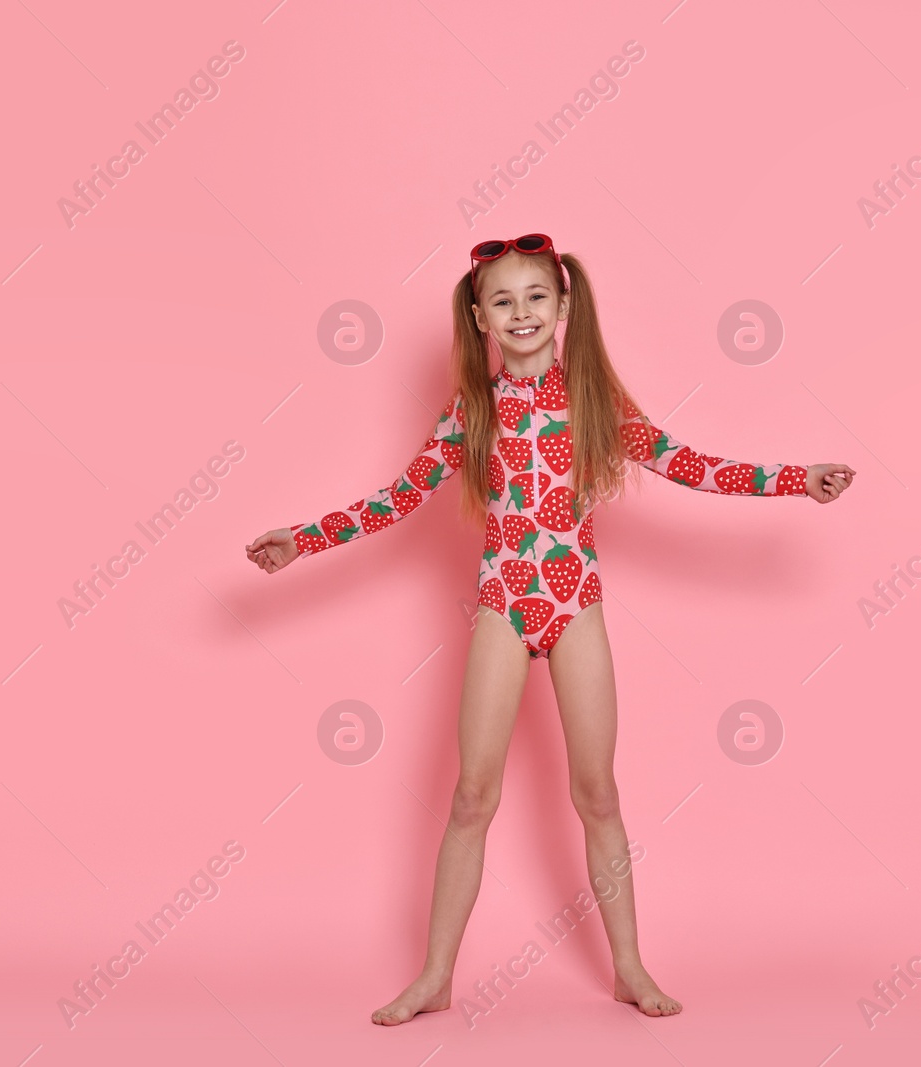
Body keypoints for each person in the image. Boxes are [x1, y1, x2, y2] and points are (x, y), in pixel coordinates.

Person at [246, 234, 855, 1025]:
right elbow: (398, 498)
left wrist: (793, 481)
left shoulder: (594, 397)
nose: (521, 311)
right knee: (471, 794)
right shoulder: (470, 411)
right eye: (503, 300)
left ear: (564, 305)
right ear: (479, 318)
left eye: (536, 296)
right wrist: (306, 537)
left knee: (597, 791)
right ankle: (434, 975)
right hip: (504, 601)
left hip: (578, 605)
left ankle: (630, 967)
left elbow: (687, 461)